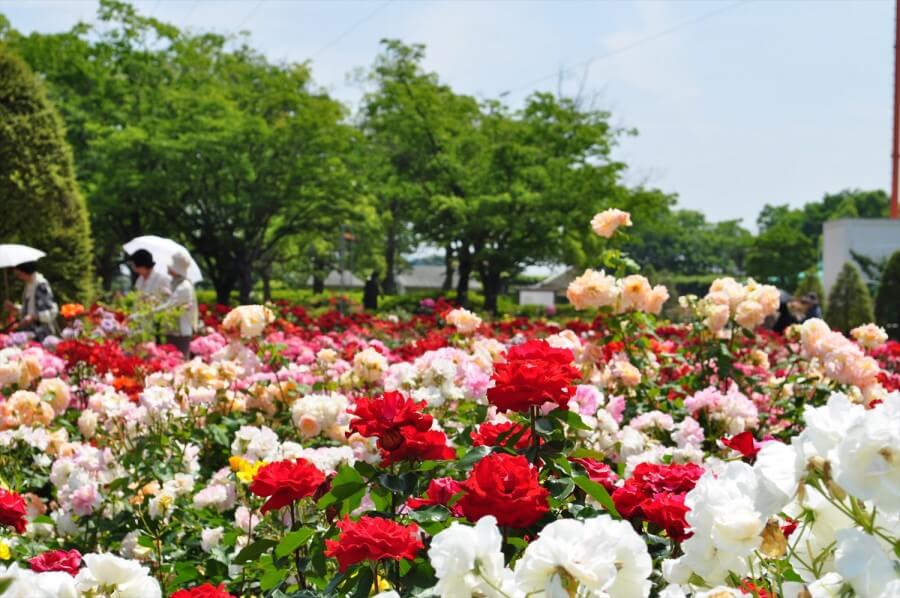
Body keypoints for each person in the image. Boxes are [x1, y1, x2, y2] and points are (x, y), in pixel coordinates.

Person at [155, 252, 198, 357]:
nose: (168, 268)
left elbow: (170, 305)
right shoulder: (176, 283)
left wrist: (147, 312)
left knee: (179, 361)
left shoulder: (184, 286)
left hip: (180, 331)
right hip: (174, 330)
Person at [3, 261, 58, 341]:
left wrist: (32, 317)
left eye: (19, 274)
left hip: (41, 335)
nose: (18, 277)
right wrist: (14, 307)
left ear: (25, 271)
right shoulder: (29, 285)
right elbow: (29, 310)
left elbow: (51, 311)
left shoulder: (40, 284)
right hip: (30, 333)